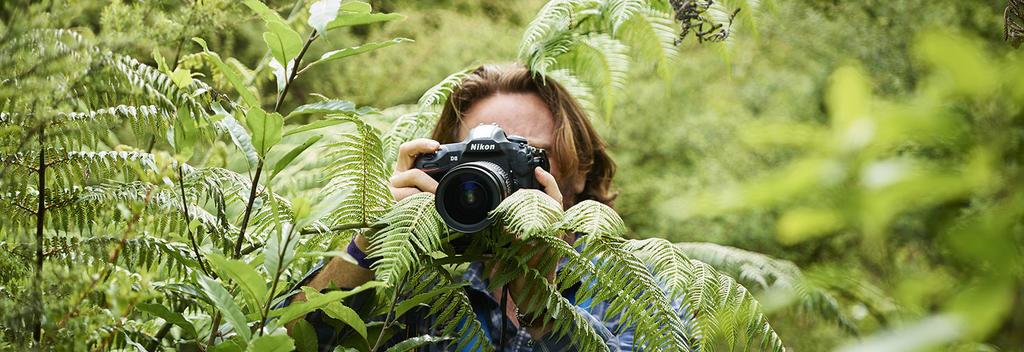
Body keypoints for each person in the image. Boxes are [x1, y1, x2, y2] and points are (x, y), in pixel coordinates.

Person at [285, 63, 638, 351]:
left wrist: (540, 302)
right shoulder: (423, 289)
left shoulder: (635, 284)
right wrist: (375, 242)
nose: (492, 176)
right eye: (472, 158)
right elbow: (290, 344)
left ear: (581, 171)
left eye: (525, 155)